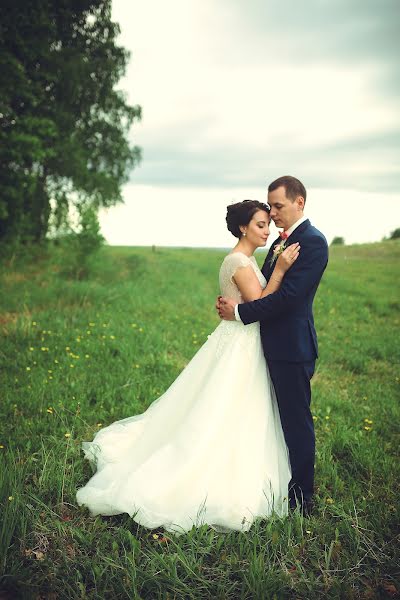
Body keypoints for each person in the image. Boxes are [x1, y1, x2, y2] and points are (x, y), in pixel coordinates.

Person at [76, 200, 300, 534]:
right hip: (240, 344)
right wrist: (280, 270)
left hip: (243, 340)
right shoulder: (238, 261)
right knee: (221, 407)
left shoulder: (246, 259)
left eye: (268, 224)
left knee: (238, 409)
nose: (267, 231)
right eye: (260, 225)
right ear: (243, 228)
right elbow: (261, 304)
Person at [217, 176, 329, 516]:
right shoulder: (283, 243)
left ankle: (302, 498)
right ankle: (276, 484)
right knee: (274, 420)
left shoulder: (313, 243)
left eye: (278, 206)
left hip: (292, 348)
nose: (274, 213)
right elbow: (268, 288)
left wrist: (238, 311)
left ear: (300, 203)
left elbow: (287, 299)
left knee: (296, 421)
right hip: (268, 346)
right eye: (271, 207)